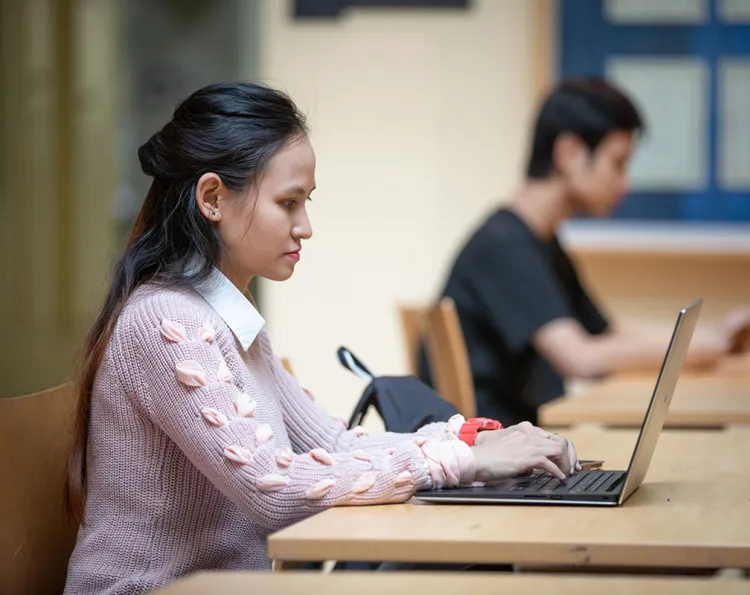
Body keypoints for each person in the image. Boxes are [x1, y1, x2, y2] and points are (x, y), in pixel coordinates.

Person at [63, 82, 580, 595]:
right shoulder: (165, 321)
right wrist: (458, 463)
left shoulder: (224, 316)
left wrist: (469, 443)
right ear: (213, 198)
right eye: (288, 203)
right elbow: (273, 486)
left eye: (305, 202)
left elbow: (332, 443)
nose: (304, 226)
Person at [419, 76, 750, 427]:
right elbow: (581, 359)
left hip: (518, 443)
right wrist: (700, 349)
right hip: (496, 457)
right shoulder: (504, 245)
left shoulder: (539, 242)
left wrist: (713, 339)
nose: (625, 183)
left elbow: (606, 334)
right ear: (570, 153)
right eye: (618, 163)